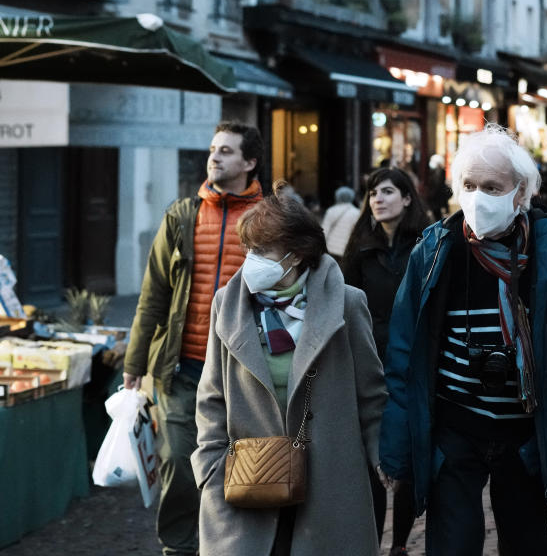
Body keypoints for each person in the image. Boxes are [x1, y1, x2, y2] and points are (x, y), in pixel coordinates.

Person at [378, 125, 547, 555]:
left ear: (521, 193)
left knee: (526, 543)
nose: (478, 197)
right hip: (454, 427)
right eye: (469, 185)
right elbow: (403, 355)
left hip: (527, 430)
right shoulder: (435, 250)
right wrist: (398, 449)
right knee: (452, 545)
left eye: (492, 187)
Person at [192, 181, 387, 555]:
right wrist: (209, 468)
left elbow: (371, 395)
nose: (250, 258)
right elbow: (211, 396)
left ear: (295, 255)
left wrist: (380, 460)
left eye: (262, 250)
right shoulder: (228, 306)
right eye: (247, 248)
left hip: (329, 481)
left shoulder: (347, 303)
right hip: (246, 481)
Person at [123, 121, 264, 556]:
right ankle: (178, 548)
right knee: (179, 464)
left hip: (244, 372)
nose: (215, 157)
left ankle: (228, 545)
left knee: (243, 469)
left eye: (226, 151)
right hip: (184, 367)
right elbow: (153, 297)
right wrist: (134, 364)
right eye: (212, 149)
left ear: (249, 162)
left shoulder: (269, 218)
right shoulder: (182, 215)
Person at [341, 168, 430, 555]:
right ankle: (373, 544)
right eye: (372, 192)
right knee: (372, 463)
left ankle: (399, 544)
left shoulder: (427, 244)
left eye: (387, 191)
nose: (377, 199)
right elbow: (343, 304)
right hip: (370, 366)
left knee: (407, 461)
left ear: (407, 198)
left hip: (415, 365)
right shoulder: (360, 246)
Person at [321, 186, 361, 261]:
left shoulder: (331, 210)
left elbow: (324, 231)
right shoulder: (356, 212)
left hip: (331, 249)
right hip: (347, 250)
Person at [423, 154, 453, 221]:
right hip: (437, 202)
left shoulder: (439, 173)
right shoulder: (434, 173)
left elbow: (438, 188)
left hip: (437, 202)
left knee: (438, 219)